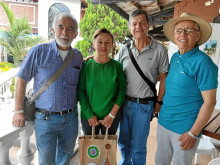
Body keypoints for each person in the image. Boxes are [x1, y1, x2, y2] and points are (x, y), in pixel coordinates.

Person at [12, 12, 83, 165]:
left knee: (65, 159)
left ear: (76, 34)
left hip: (70, 119)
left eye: (70, 29)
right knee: (46, 162)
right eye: (60, 27)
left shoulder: (78, 56)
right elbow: (21, 80)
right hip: (45, 119)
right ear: (53, 30)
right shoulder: (38, 52)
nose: (65, 32)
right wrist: (18, 111)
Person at [155, 12, 218, 165]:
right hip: (164, 122)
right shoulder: (176, 56)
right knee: (160, 162)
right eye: (179, 30)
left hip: (184, 129)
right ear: (174, 35)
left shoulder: (203, 62)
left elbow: (209, 103)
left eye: (189, 30)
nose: (183, 34)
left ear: (198, 35)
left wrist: (193, 133)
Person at [115, 10, 169, 165]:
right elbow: (111, 70)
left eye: (142, 23)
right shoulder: (124, 50)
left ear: (148, 26)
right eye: (134, 23)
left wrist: (158, 103)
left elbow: (164, 79)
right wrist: (94, 59)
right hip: (123, 104)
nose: (138, 26)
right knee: (123, 143)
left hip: (144, 106)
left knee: (138, 147)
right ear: (129, 27)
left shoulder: (159, 49)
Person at [77, 28, 126, 135]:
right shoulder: (86, 66)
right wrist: (89, 115)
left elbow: (121, 92)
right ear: (94, 44)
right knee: (90, 150)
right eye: (99, 42)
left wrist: (111, 115)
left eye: (107, 42)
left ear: (112, 45)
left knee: (107, 149)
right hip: (88, 117)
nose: (103, 46)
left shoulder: (117, 67)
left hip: (111, 117)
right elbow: (80, 92)